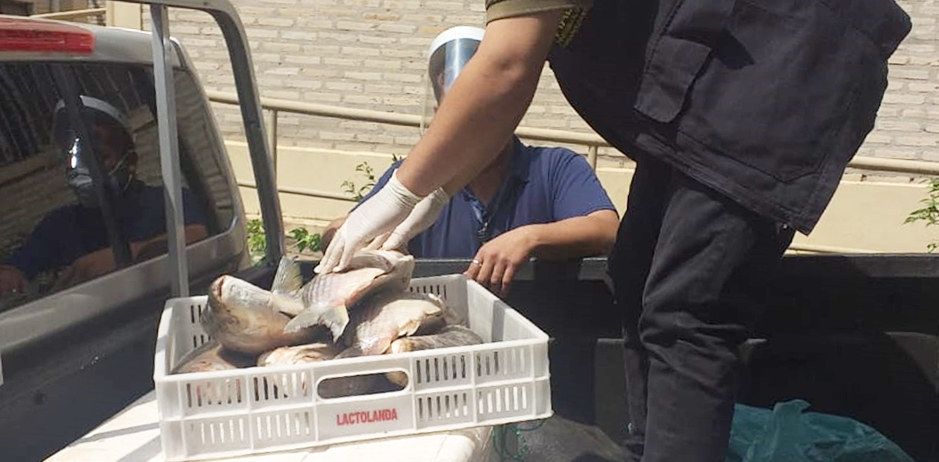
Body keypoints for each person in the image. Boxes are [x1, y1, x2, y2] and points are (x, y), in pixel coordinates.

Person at [317, 2, 912, 461]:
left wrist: (399, 193)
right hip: (704, 99)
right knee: (635, 272)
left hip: (774, 79)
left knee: (687, 312)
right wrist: (436, 189)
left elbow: (504, 68)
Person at [322, 26, 619, 296]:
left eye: (480, 118)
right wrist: (366, 243)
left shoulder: (554, 167)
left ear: (505, 113)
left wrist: (530, 238)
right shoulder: (410, 180)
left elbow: (605, 227)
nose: (470, 134)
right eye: (458, 122)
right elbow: (341, 230)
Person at [0, 96, 208, 296]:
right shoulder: (58, 225)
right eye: (74, 158)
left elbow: (198, 235)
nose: (82, 168)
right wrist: (11, 279)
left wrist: (125, 256)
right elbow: (15, 269)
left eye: (97, 157)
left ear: (130, 161)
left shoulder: (168, 202)